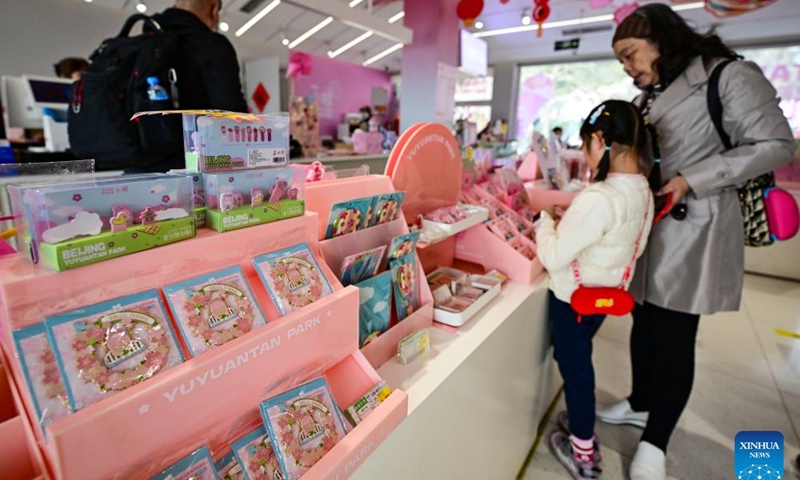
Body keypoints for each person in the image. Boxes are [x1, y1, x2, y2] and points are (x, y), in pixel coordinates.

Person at [600, 5, 796, 480]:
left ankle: (656, 440)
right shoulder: (652, 93)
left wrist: (692, 178)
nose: (627, 68)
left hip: (696, 225)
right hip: (651, 224)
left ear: (661, 40)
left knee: (673, 334)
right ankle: (641, 402)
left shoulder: (728, 75)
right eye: (621, 61)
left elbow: (776, 143)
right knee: (643, 320)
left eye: (631, 55)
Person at [535, 100, 656, 480]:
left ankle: (583, 450)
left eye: (586, 144)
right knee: (579, 362)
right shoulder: (643, 191)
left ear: (601, 140)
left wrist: (544, 222)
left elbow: (554, 256)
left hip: (573, 298)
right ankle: (580, 417)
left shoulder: (599, 197)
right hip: (604, 298)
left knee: (576, 372)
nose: (584, 154)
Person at [152, 0, 247, 114]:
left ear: (175, 6)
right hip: (198, 131)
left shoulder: (147, 42)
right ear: (214, 10)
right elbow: (231, 113)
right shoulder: (213, 46)